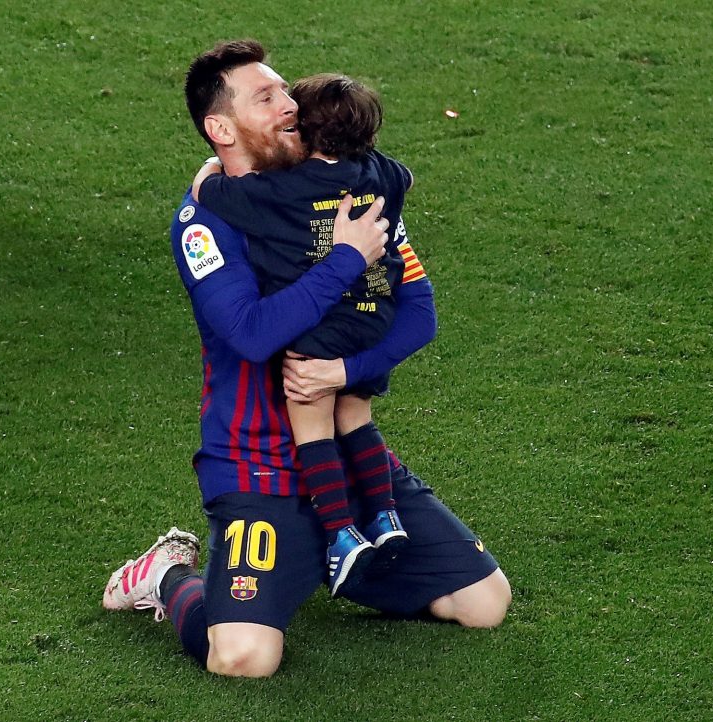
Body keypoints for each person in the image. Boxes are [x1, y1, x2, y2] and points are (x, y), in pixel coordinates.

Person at [102, 39, 511, 678]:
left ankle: (333, 553)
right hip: (258, 470)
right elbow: (250, 335)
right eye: (266, 98)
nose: (289, 105)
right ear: (221, 129)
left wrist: (344, 372)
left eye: (286, 91)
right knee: (243, 658)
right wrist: (346, 258)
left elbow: (419, 310)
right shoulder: (205, 223)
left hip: (345, 458)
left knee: (485, 603)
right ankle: (169, 577)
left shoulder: (353, 188)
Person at [190, 72, 416, 598]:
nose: (285, 108)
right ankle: (385, 516)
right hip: (374, 315)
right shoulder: (380, 172)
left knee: (313, 424)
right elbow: (405, 178)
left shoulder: (284, 191)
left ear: (308, 131)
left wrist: (207, 168)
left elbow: (214, 193)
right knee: (354, 415)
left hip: (325, 328)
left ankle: (341, 533)